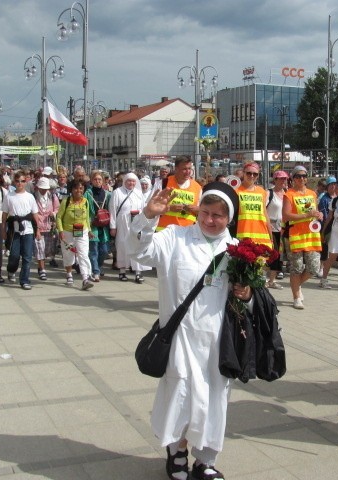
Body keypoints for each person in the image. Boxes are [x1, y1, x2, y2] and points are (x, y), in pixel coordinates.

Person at [127, 181, 243, 480]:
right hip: (179, 338)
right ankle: (177, 450)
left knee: (214, 398)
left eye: (218, 215)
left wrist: (248, 294)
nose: (209, 220)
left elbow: (248, 299)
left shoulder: (236, 250)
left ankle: (205, 460)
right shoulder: (175, 237)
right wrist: (148, 217)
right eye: (205, 212)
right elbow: (139, 252)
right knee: (180, 395)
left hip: (218, 342)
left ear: (229, 217)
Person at [282, 166, 323, 309]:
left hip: (311, 234)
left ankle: (296, 285)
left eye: (304, 176)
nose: (302, 179)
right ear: (293, 179)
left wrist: (318, 215)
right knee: (297, 268)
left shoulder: (312, 194)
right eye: (298, 176)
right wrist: (306, 215)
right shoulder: (289, 194)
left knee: (314, 267)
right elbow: (286, 216)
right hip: (295, 235)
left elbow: (313, 210)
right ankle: (296, 297)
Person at [2, 171, 42, 291]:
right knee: (14, 255)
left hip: (28, 229)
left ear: (26, 182)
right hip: (15, 230)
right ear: (14, 182)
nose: (20, 183)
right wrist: (3, 229)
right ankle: (11, 270)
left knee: (27, 257)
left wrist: (38, 230)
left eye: (23, 181)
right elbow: (4, 214)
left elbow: (35, 214)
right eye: (18, 181)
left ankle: (24, 280)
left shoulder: (30, 196)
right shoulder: (9, 196)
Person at [110, 173, 149, 283]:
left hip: (136, 222)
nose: (131, 183)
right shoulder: (117, 192)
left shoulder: (138, 193)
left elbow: (143, 209)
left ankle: (138, 272)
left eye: (133, 181)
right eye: (129, 181)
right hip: (122, 223)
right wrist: (113, 226)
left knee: (137, 246)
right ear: (124, 181)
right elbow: (113, 210)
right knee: (122, 245)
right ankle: (122, 271)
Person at [56, 179, 94, 290]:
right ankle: (69, 274)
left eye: (81, 188)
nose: (78, 190)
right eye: (76, 188)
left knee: (83, 254)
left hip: (82, 231)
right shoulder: (66, 201)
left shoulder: (85, 201)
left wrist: (90, 230)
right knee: (68, 254)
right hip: (68, 231)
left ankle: (85, 278)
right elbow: (59, 217)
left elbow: (87, 217)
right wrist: (61, 231)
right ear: (71, 189)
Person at [156, 156, 202, 231]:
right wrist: (169, 208)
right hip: (164, 233)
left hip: (187, 234)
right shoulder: (163, 183)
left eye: (189, 169)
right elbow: (150, 207)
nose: (188, 172)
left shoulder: (197, 187)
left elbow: (203, 211)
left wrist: (196, 209)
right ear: (176, 169)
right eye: (184, 169)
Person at [86, 171, 111, 282]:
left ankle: (98, 266)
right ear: (91, 181)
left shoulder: (107, 194)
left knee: (104, 251)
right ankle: (95, 271)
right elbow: (85, 210)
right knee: (94, 250)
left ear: (103, 181)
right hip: (93, 225)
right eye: (95, 179)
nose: (98, 181)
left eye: (99, 179)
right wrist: (87, 225)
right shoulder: (88, 193)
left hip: (104, 226)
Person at [33, 177, 60, 282]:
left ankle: (41, 266)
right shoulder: (33, 197)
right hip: (38, 226)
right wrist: (35, 216)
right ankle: (42, 269)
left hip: (49, 226)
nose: (44, 190)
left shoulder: (52, 197)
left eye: (46, 188)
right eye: (42, 188)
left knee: (47, 249)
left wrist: (54, 213)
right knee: (39, 247)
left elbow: (57, 208)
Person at [266, 170, 288, 288]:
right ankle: (264, 278)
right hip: (270, 228)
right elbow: (263, 210)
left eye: (284, 178)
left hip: (283, 229)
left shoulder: (287, 194)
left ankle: (272, 280)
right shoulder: (269, 193)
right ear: (275, 180)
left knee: (278, 255)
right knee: (270, 253)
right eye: (280, 178)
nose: (283, 181)